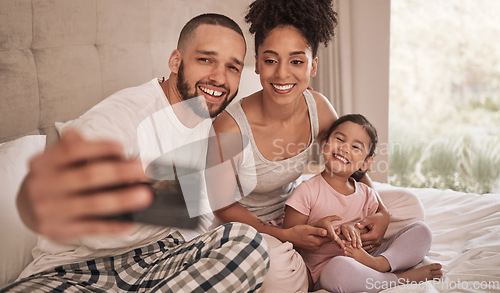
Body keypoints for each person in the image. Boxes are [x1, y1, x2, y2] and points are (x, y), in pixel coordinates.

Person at [2, 14, 269, 293]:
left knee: (248, 244)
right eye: (206, 60)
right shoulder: (122, 116)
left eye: (233, 67)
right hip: (74, 270)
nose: (219, 77)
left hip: (160, 261)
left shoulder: (212, 121)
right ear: (176, 61)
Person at [206, 1, 394, 292]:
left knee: (407, 204)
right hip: (250, 227)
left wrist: (381, 212)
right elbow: (221, 205)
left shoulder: (316, 106)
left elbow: (347, 163)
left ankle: (369, 263)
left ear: (313, 65)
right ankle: (322, 270)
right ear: (256, 63)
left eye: (296, 61)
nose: (282, 74)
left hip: (296, 210)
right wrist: (284, 235)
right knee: (276, 270)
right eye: (270, 60)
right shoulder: (229, 127)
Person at [283, 114, 443, 293]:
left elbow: (373, 229)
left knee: (422, 230)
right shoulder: (307, 190)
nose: (344, 148)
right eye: (339, 139)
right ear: (324, 144)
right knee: (338, 269)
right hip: (327, 269)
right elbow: (289, 236)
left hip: (368, 259)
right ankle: (398, 279)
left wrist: (358, 231)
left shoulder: (366, 193)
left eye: (355, 147)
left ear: (366, 163)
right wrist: (321, 230)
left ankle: (382, 264)